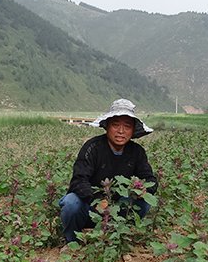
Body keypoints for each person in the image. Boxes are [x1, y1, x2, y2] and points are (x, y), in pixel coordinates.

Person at [59, 98, 157, 243]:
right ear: (107, 126)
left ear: (132, 130)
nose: (121, 131)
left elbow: (151, 180)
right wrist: (96, 201)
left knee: (144, 202)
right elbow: (78, 180)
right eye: (115, 125)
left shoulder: (137, 152)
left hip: (119, 209)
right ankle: (72, 241)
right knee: (71, 202)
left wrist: (142, 189)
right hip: (91, 207)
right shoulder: (92, 147)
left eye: (127, 126)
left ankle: (119, 238)